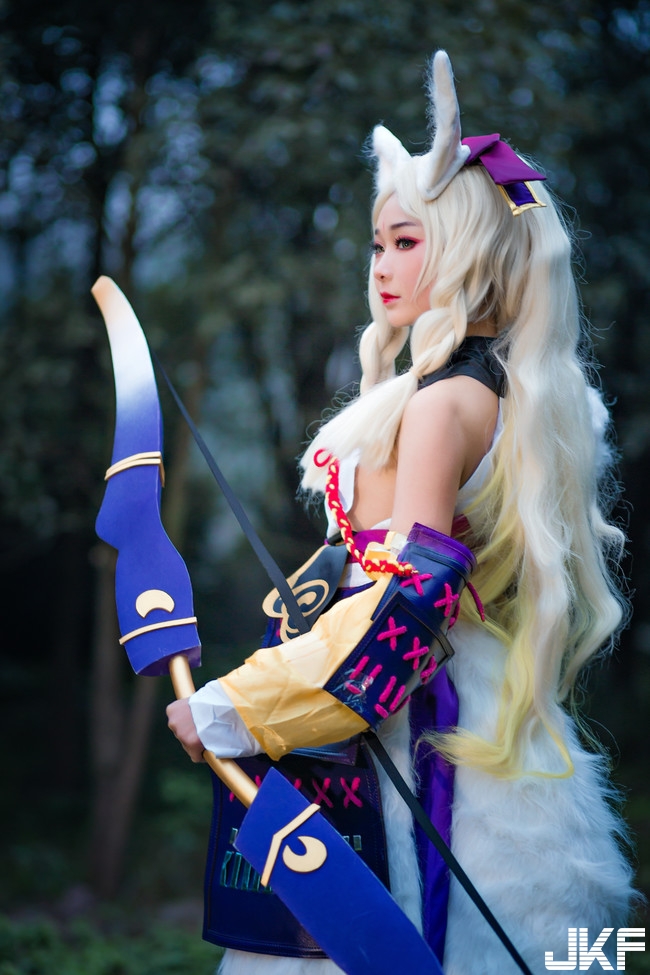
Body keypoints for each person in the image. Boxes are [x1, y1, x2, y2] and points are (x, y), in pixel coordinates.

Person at [167, 51, 636, 974]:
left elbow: (408, 610)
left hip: (414, 739)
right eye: (378, 244)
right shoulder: (501, 391)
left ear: (465, 245)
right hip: (474, 723)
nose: (382, 265)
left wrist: (234, 706)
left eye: (407, 241)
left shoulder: (441, 403)